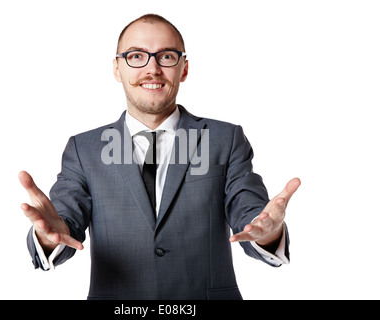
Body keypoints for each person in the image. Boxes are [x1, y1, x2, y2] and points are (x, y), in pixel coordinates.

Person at [19, 13, 301, 300]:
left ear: (184, 69)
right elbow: (65, 224)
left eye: (166, 56)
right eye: (136, 56)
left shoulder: (225, 139)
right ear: (117, 69)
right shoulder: (84, 148)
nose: (152, 69)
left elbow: (250, 214)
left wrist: (267, 233)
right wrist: (47, 236)